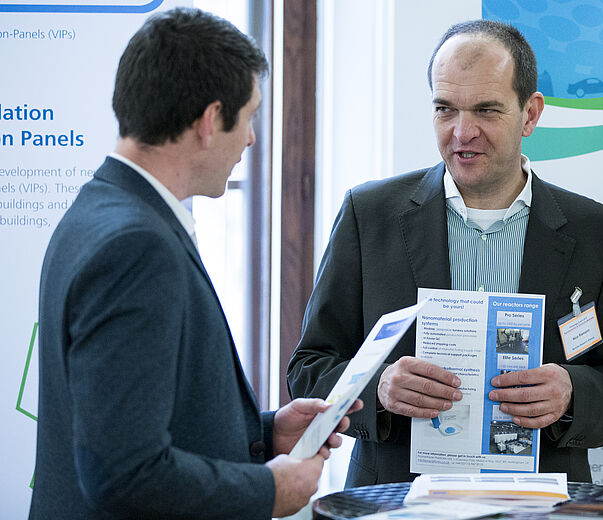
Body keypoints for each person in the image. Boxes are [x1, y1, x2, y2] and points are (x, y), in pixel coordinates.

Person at [287, 20, 603, 486]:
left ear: (530, 114)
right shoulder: (369, 216)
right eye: (445, 109)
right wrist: (378, 387)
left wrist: (572, 393)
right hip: (396, 504)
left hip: (538, 506)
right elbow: (309, 368)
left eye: (486, 110)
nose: (463, 132)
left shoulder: (599, 234)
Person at [31, 8, 359, 519]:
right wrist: (266, 492)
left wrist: (266, 433)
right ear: (209, 121)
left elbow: (135, 419)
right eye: (249, 117)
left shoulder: (97, 209)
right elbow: (124, 474)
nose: (251, 139)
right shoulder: (136, 247)